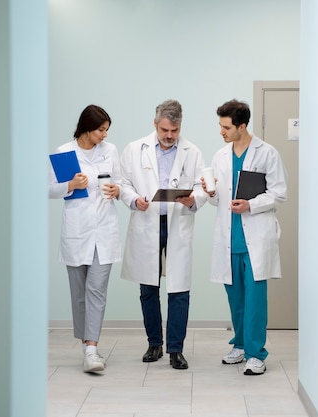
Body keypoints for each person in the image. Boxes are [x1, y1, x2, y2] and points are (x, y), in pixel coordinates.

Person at [119, 99, 208, 370]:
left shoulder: (192, 151)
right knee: (148, 287)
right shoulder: (135, 149)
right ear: (155, 124)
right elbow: (122, 182)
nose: (170, 136)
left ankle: (176, 349)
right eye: (165, 130)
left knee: (179, 289)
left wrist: (193, 199)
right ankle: (154, 343)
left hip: (177, 223)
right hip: (148, 222)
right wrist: (135, 200)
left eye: (175, 130)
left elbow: (201, 185)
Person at [202, 99, 287, 375]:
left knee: (254, 300)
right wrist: (212, 193)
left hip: (256, 239)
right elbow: (218, 201)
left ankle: (256, 353)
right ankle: (239, 345)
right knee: (236, 298)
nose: (221, 132)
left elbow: (279, 193)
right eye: (220, 126)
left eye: (226, 127)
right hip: (230, 240)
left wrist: (250, 204)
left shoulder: (267, 153)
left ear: (241, 125)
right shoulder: (220, 156)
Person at [48, 104, 122, 373]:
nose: (104, 135)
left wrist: (117, 189)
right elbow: (48, 189)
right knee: (79, 294)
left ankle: (92, 348)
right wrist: (70, 186)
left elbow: (121, 181)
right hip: (77, 232)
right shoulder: (64, 152)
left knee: (96, 291)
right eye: (100, 130)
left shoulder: (110, 151)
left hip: (104, 231)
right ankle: (85, 344)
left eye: (106, 131)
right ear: (86, 128)